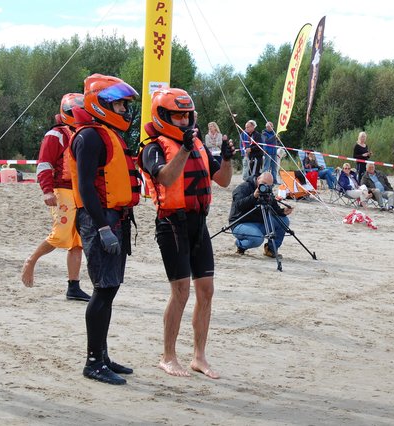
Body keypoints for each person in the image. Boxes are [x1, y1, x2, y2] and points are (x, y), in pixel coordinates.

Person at [139, 88, 235, 379]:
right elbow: (166, 179)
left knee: (206, 290)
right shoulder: (152, 148)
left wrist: (227, 159)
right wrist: (183, 148)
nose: (183, 121)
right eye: (177, 116)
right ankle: (168, 356)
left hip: (198, 223)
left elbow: (223, 181)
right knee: (180, 292)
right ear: (163, 116)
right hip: (171, 225)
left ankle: (199, 357)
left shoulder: (199, 146)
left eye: (186, 116)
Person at [68, 73, 141, 385]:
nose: (125, 110)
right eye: (121, 105)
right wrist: (101, 227)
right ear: (102, 104)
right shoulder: (89, 137)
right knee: (103, 289)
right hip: (99, 220)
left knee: (110, 289)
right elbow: (85, 187)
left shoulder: (106, 134)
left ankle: (103, 355)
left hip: (115, 218)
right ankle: (93, 362)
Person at [21, 93, 90, 302]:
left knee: (77, 241)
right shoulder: (56, 135)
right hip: (62, 190)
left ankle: (73, 286)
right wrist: (47, 190)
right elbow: (44, 163)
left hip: (80, 192)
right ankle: (31, 260)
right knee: (60, 234)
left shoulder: (84, 133)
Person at [230, 172, 293, 257]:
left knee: (283, 220)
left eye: (269, 185)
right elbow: (238, 206)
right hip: (240, 222)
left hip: (259, 222)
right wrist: (254, 196)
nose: (265, 186)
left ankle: (271, 249)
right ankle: (240, 245)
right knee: (257, 239)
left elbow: (274, 207)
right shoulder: (243, 188)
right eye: (263, 183)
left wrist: (283, 211)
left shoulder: (266, 190)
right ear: (258, 178)